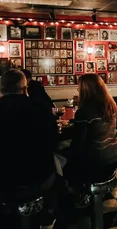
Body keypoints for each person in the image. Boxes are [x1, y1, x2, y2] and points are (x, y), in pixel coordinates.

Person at [0, 70, 58, 229]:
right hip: (40, 178)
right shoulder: (42, 108)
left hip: (5, 183)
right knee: (57, 169)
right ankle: (47, 216)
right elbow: (54, 142)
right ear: (25, 89)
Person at [64, 74, 117, 189]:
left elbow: (78, 143)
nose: (77, 89)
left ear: (85, 89)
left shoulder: (85, 112)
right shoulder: (110, 105)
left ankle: (79, 196)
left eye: (79, 87)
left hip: (96, 161)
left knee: (62, 162)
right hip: (114, 154)